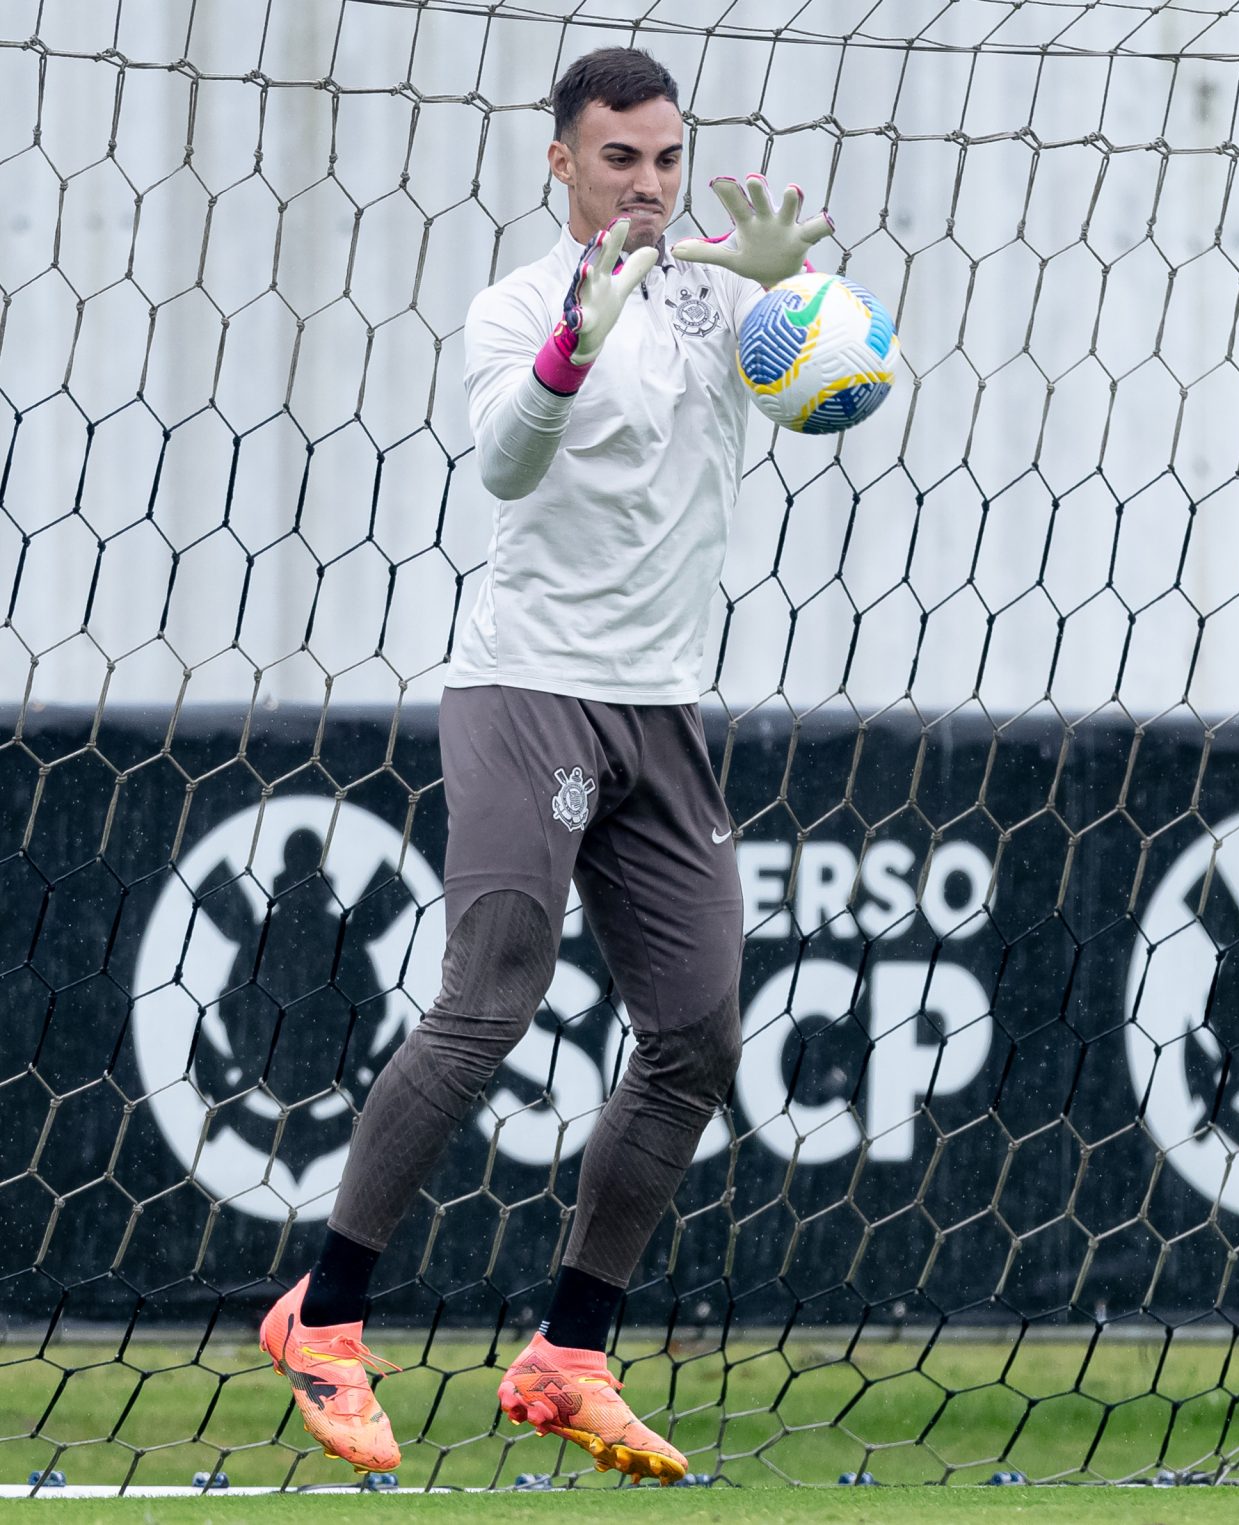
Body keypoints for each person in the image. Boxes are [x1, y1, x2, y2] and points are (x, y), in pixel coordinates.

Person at [257, 46, 832, 1484]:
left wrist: (801, 298)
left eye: (665, 157)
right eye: (619, 159)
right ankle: (323, 1317)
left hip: (665, 710)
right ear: (561, 164)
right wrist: (582, 328)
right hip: (527, 687)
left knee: (698, 1034)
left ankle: (568, 1356)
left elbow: (816, 386)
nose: (647, 184)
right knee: (491, 1000)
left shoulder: (712, 296)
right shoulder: (516, 304)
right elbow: (509, 461)